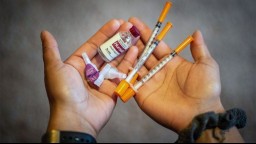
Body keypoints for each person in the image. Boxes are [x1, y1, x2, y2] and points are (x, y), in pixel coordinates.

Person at [40, 17, 245, 143]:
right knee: (120, 65)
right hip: (110, 77)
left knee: (122, 65)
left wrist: (202, 110)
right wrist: (76, 120)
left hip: (113, 78)